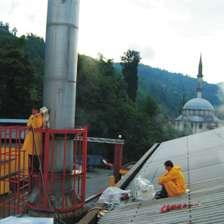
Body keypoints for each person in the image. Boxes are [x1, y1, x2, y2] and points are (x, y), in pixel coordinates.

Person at [22, 106, 44, 172]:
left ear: (37, 111)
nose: (33, 111)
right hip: (30, 137)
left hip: (36, 137)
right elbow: (29, 126)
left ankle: (36, 169)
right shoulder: (31, 116)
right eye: (32, 110)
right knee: (30, 154)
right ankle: (32, 168)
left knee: (36, 155)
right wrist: (31, 125)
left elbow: (38, 125)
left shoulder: (39, 117)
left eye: (34, 110)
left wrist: (35, 118)